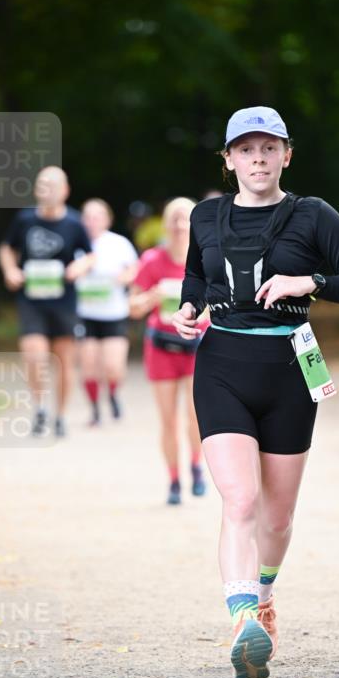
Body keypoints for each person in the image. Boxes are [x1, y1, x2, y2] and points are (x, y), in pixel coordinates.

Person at [172, 106, 339, 678]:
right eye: (246, 149)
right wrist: (190, 308)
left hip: (290, 368)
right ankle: (243, 622)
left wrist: (306, 280)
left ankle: (263, 595)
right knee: (240, 501)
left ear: (286, 154)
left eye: (269, 148)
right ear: (229, 159)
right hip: (222, 366)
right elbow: (195, 275)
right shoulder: (206, 215)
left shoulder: (314, 215)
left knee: (278, 518)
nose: (257, 158)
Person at [0, 166, 94, 437]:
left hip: (63, 302)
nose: (46, 190)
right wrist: (10, 270)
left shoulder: (74, 223)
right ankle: (40, 407)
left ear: (64, 190)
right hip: (32, 300)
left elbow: (89, 254)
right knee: (34, 355)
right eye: (41, 185)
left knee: (63, 361)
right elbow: (6, 247)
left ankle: (60, 415)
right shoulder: (24, 219)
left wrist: (79, 267)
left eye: (51, 185)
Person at [129, 197, 210, 505]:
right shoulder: (152, 261)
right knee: (168, 421)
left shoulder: (205, 261)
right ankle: (174, 480)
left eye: (185, 219)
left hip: (195, 348)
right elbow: (132, 307)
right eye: (174, 219)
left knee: (194, 416)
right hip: (161, 348)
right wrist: (154, 296)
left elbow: (218, 308)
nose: (179, 225)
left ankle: (196, 466)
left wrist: (200, 313)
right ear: (166, 224)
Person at [76, 199, 138, 426]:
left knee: (113, 367)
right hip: (85, 314)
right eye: (88, 216)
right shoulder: (76, 242)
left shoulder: (119, 243)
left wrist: (124, 278)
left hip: (114, 313)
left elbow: (135, 269)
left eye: (97, 216)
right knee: (89, 366)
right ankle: (94, 410)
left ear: (107, 219)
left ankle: (112, 393)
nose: (92, 221)